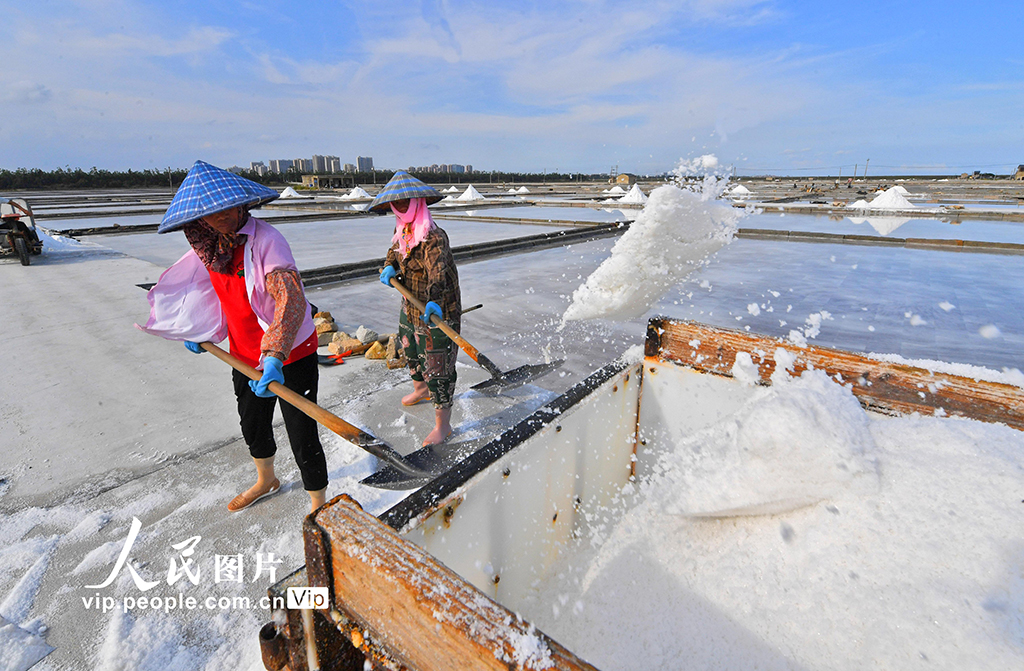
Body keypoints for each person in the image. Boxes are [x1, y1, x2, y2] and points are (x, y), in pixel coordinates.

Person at [137, 161, 328, 513]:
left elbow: (291, 299)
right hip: (243, 354)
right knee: (253, 424)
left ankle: (319, 504)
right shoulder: (209, 249)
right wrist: (201, 331)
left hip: (290, 353)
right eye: (210, 212)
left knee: (302, 432)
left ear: (242, 204)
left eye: (227, 207)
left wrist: (274, 355)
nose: (220, 216)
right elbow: (214, 296)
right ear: (196, 219)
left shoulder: (267, 241)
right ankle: (266, 479)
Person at [370, 171, 461, 446]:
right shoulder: (402, 229)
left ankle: (443, 425)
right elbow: (394, 250)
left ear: (417, 201)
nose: (399, 207)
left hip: (437, 310)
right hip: (410, 306)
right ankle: (420, 389)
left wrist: (434, 298)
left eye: (405, 201)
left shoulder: (433, 236)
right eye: (395, 203)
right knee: (410, 349)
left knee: (438, 366)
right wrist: (389, 265)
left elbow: (438, 272)